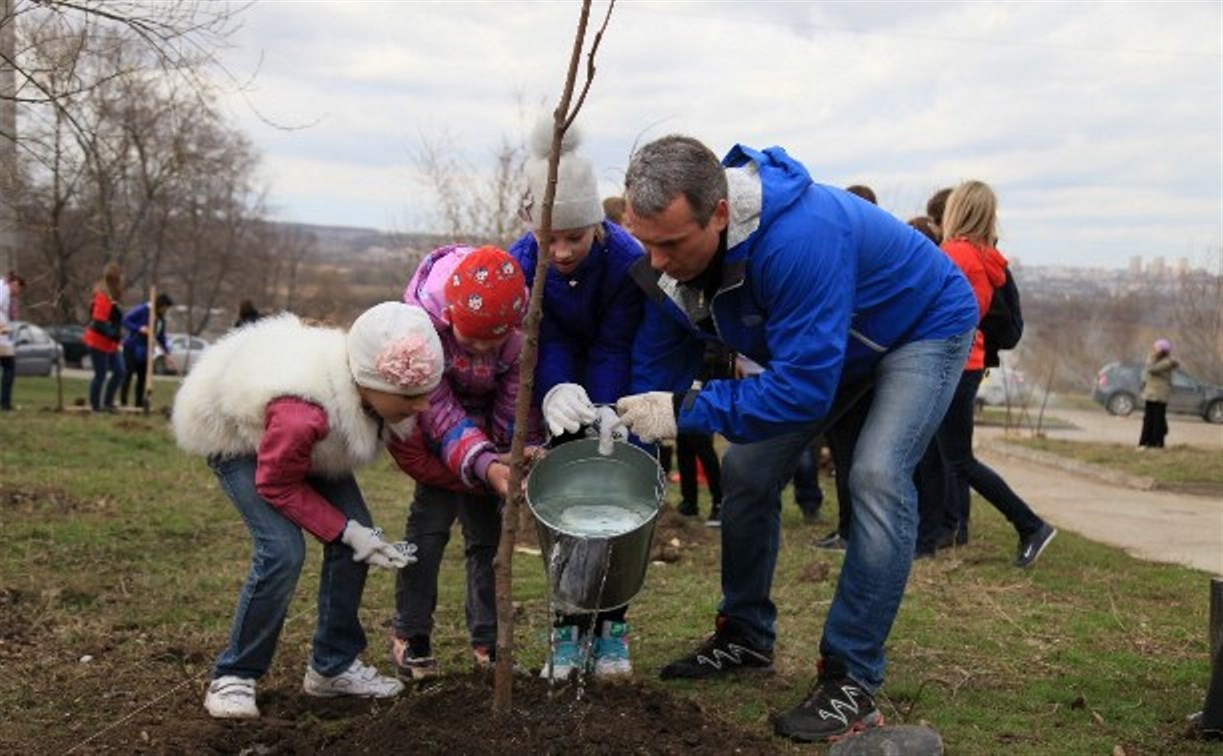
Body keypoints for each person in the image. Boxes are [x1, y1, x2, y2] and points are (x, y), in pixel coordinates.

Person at [614, 136, 977, 742]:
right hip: (834, 346)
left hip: (921, 327)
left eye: (671, 243)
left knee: (877, 477)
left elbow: (803, 390)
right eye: (645, 241)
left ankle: (851, 679)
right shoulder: (670, 259)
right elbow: (660, 358)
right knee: (749, 472)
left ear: (721, 213)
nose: (655, 260)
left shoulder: (798, 241)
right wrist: (631, 439)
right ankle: (745, 635)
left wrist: (687, 409)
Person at [170, 301, 445, 719]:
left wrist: (489, 475)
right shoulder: (301, 412)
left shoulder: (387, 400)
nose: (422, 406)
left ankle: (332, 668)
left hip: (309, 447)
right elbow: (276, 483)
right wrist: (347, 531)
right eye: (410, 396)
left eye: (425, 393)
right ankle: (235, 674)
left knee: (359, 535)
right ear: (369, 385)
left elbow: (417, 460)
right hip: (240, 438)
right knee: (282, 550)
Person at [508, 120, 647, 679]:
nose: (561, 251)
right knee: (566, 512)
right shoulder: (521, 262)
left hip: (620, 393)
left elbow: (618, 339)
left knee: (618, 511)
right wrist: (554, 390)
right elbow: (538, 338)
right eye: (550, 238)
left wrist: (609, 405)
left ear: (597, 225)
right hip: (556, 397)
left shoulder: (626, 260)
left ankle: (612, 626)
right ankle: (567, 629)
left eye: (574, 237)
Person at [387, 244, 542, 680]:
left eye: (488, 343)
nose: (476, 350)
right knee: (428, 534)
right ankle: (411, 635)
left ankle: (489, 642)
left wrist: (511, 454)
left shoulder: (518, 339)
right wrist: (481, 461)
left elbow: (515, 401)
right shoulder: (423, 331)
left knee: (488, 542)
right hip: (439, 439)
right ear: (450, 317)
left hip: (490, 448)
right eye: (467, 340)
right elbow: (437, 411)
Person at [933, 180, 1057, 567]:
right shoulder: (986, 258)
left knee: (957, 459)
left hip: (952, 360)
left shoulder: (954, 254)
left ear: (957, 211)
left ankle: (1030, 524)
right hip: (970, 359)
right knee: (950, 455)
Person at [673, 344, 730, 526]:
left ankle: (720, 502)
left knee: (701, 442)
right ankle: (689, 502)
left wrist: (701, 375)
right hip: (688, 378)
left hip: (703, 381)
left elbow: (717, 352)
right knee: (683, 442)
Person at [83, 262, 126, 413]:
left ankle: (108, 402)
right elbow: (98, 321)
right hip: (98, 341)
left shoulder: (113, 297)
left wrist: (117, 333)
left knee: (120, 371)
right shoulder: (102, 296)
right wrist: (112, 333)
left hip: (110, 343)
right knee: (100, 374)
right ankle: (95, 407)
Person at [120, 293, 175, 409]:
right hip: (132, 346)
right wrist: (139, 328)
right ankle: (123, 402)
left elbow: (161, 338)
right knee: (128, 373)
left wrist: (167, 354)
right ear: (160, 305)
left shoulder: (161, 320)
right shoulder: (144, 310)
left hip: (146, 349)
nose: (166, 310)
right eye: (165, 308)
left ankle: (138, 403)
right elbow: (125, 320)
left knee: (142, 377)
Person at [1139, 339, 1177, 449]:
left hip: (1159, 395)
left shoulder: (1167, 362)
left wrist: (1152, 356)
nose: (1153, 350)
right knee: (1149, 419)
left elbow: (1151, 369)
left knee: (1157, 419)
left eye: (1155, 348)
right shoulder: (1160, 361)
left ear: (1161, 351)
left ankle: (1157, 443)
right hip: (1151, 393)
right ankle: (1146, 442)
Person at [0, 272, 25, 411]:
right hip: (1, 336)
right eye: (18, 290)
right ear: (14, 283)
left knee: (8, 367)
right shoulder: (3, 290)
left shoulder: (3, 289)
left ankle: (5, 402)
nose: (17, 293)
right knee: (9, 367)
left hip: (3, 335)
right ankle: (5, 403)